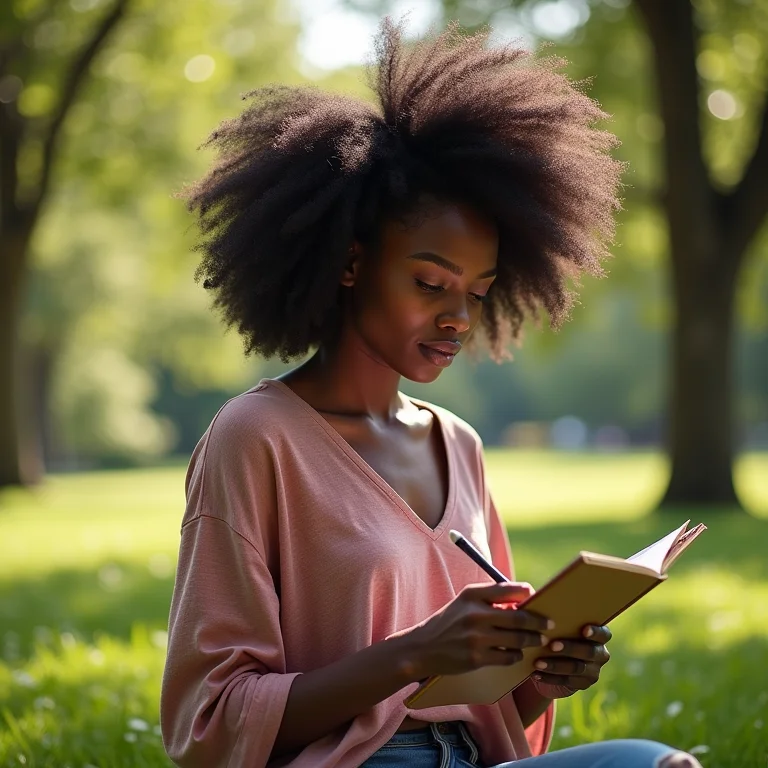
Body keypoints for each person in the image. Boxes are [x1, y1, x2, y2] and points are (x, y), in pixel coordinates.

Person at [160, 18, 702, 768]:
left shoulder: (459, 444)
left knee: (660, 765)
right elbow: (209, 724)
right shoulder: (255, 437)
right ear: (350, 263)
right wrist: (412, 653)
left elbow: (491, 703)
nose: (457, 316)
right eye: (429, 283)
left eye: (478, 293)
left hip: (480, 759)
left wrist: (542, 678)